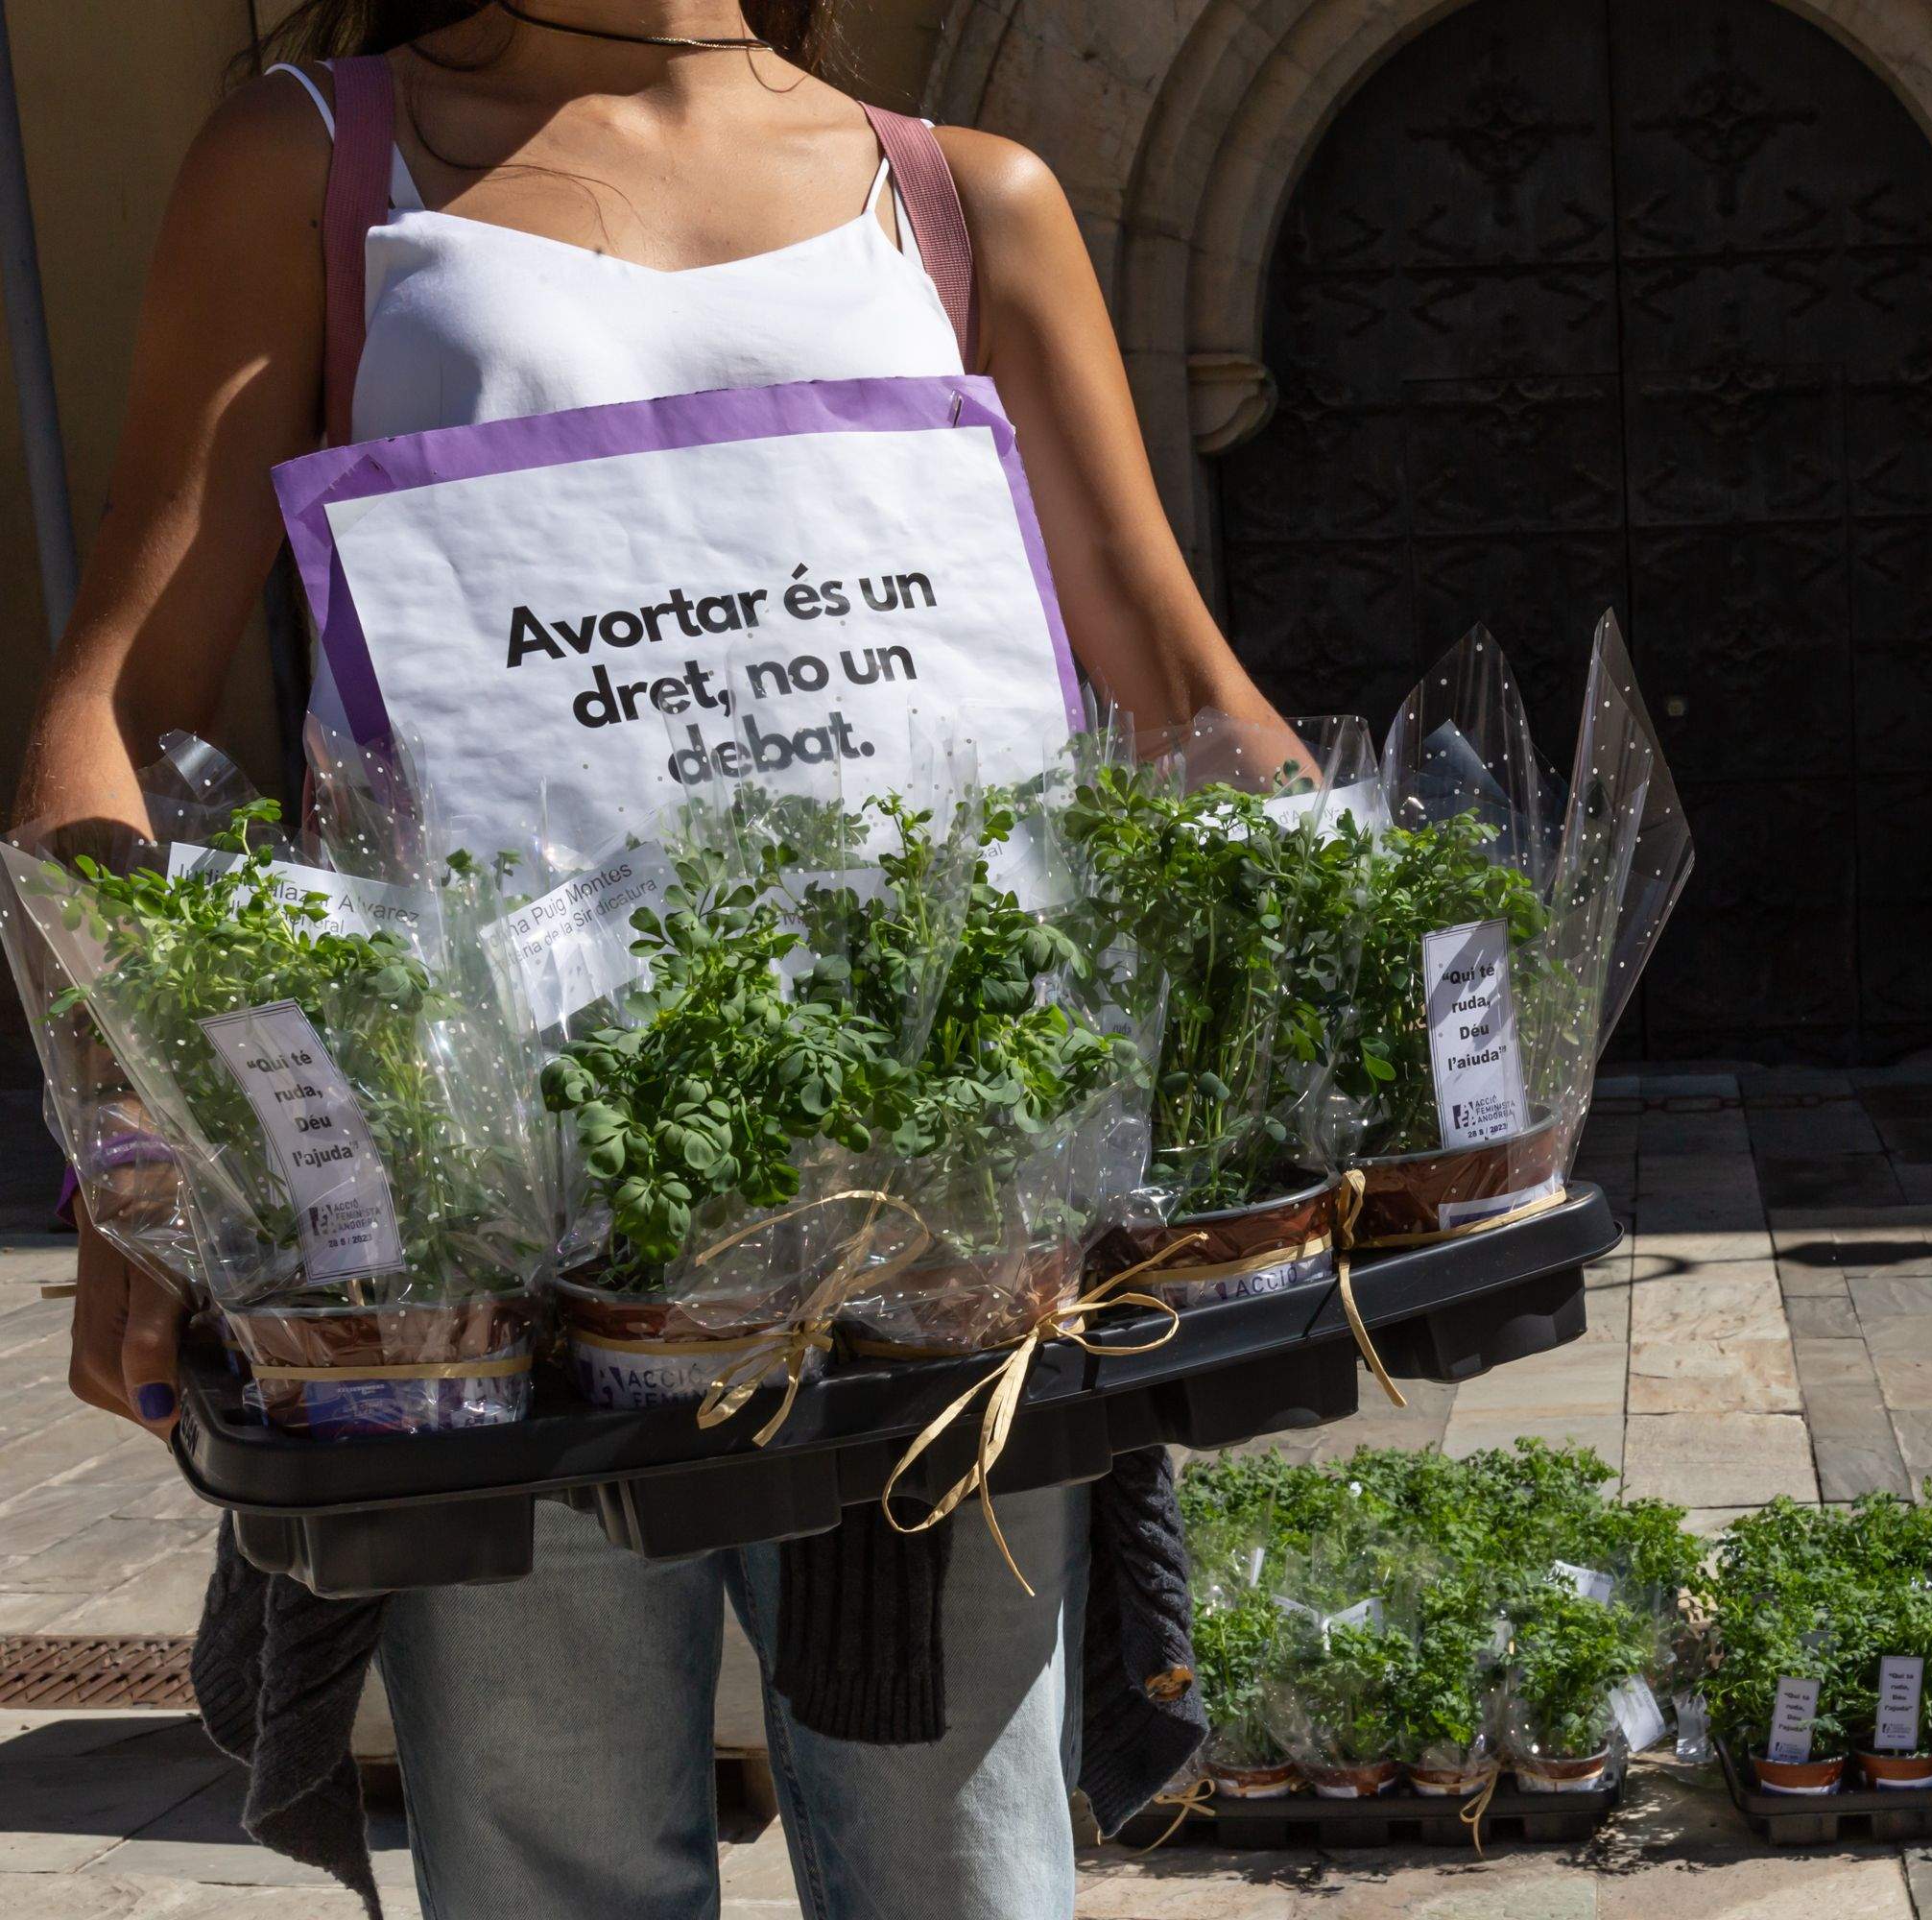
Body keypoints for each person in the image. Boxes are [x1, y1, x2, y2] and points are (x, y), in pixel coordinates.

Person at [13, 4, 1288, 1914]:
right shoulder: (321, 163)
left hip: (931, 1237)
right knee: (559, 1877)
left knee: (964, 1874)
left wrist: (1425, 1006)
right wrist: (136, 1154)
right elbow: (117, 692)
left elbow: (1189, 696)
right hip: (488, 1267)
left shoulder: (964, 201)